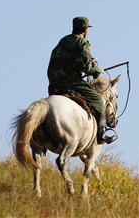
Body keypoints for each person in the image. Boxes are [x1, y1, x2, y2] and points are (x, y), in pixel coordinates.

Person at [47, 16, 117, 144]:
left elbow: (71, 59)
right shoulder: (82, 42)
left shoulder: (63, 40)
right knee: (98, 100)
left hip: (54, 81)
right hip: (70, 80)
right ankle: (101, 136)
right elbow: (84, 66)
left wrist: (88, 61)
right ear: (85, 29)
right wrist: (96, 70)